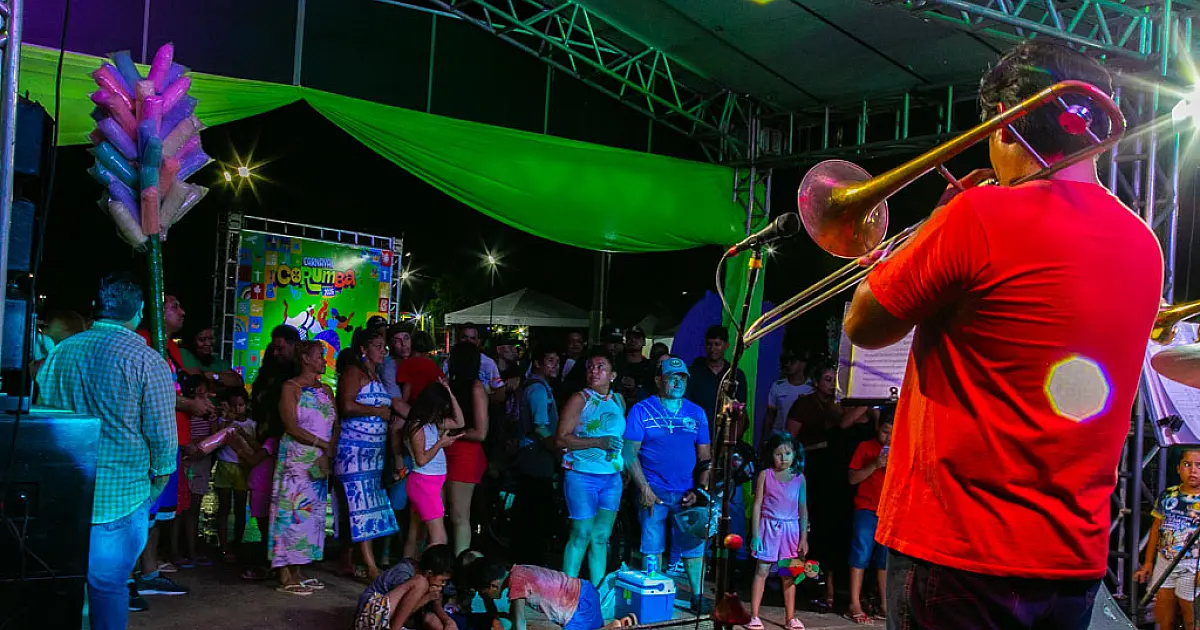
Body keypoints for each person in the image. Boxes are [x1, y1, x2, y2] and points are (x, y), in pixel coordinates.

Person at [842, 40, 1165, 629]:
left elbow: (863, 325)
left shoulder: (975, 216)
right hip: (1070, 559)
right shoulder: (1145, 244)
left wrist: (932, 228)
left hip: (956, 550)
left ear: (1005, 126)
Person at [36, 273, 177, 630]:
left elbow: (44, 419)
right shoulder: (147, 361)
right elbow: (163, 441)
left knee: (64, 589)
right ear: (140, 312)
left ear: (96, 309)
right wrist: (153, 491)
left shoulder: (61, 353)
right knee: (109, 587)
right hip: (120, 496)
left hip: (66, 495)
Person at [623, 356, 711, 612]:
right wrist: (644, 489)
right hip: (654, 489)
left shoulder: (697, 412)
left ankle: (697, 595)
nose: (677, 382)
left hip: (687, 492)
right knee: (652, 545)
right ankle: (653, 597)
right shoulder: (641, 410)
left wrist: (700, 490)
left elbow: (705, 456)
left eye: (682, 377)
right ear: (658, 380)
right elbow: (630, 453)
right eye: (672, 377)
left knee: (694, 545)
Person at [335, 327, 408, 579]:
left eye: (383, 346)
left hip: (373, 453)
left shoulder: (375, 375)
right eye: (377, 346)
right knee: (359, 506)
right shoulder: (354, 372)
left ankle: (364, 561)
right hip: (354, 451)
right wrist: (378, 412)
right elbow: (345, 405)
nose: (383, 350)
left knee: (370, 505)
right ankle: (370, 566)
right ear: (363, 349)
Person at [269, 340, 338, 596]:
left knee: (312, 517)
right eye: (320, 356)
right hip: (297, 460)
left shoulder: (327, 390)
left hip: (318, 461)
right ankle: (284, 572)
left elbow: (335, 422)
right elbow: (291, 426)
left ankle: (298, 569)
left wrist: (329, 450)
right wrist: (322, 444)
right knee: (291, 512)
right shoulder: (291, 388)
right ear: (306, 359)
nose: (324, 360)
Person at [556, 348, 626, 585]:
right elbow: (561, 438)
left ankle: (597, 592)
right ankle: (567, 590)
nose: (594, 371)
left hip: (611, 477)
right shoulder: (580, 399)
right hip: (581, 474)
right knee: (580, 533)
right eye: (591, 367)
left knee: (600, 536)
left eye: (600, 367)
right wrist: (598, 442)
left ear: (612, 374)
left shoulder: (618, 399)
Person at [746, 432, 808, 630]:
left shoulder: (799, 478)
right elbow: (757, 504)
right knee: (762, 570)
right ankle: (754, 615)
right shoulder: (765, 475)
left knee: (789, 573)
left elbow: (803, 510)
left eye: (788, 453)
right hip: (769, 528)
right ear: (771, 455)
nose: (784, 458)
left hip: (791, 530)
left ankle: (790, 618)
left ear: (794, 454)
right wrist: (755, 534)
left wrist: (804, 538)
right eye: (779, 454)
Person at [1135, 448, 1200, 629]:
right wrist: (1148, 563)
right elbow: (1156, 529)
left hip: (1193, 565)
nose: (1193, 470)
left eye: (1198, 466)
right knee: (1164, 618)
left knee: (1191, 619)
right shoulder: (1168, 495)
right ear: (1178, 468)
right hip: (1165, 562)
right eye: (1187, 465)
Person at [404, 383, 466, 557]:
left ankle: (409, 570)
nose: (442, 413)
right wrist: (441, 443)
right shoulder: (417, 426)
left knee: (417, 533)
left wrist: (450, 392)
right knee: (439, 538)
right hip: (424, 483)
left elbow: (460, 421)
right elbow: (421, 459)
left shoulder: (432, 423)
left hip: (430, 482)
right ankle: (431, 576)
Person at [444, 342, 491, 556]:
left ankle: (460, 565)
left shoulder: (475, 387)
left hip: (465, 453)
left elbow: (481, 432)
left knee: (459, 515)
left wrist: (452, 434)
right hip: (447, 450)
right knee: (441, 512)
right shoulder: (451, 385)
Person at [845, 417, 893, 623]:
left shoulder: (901, 447)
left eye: (892, 432)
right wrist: (875, 464)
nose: (888, 437)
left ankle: (884, 605)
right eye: (884, 431)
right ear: (877, 427)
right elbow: (852, 478)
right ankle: (854, 602)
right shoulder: (865, 448)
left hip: (890, 512)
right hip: (866, 509)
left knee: (885, 560)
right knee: (860, 555)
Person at [472, 558, 606, 630]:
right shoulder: (519, 569)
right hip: (586, 591)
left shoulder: (516, 583)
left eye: (483, 592)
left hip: (579, 607)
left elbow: (520, 623)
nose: (485, 596)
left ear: (493, 585)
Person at [354, 544, 457, 630]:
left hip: (384, 619)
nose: (442, 584)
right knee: (421, 583)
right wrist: (427, 598)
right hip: (369, 612)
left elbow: (434, 604)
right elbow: (401, 610)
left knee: (437, 623)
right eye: (442, 581)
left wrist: (447, 621)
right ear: (429, 573)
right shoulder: (406, 573)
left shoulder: (429, 579)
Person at [212, 389, 254, 563]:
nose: (237, 409)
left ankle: (237, 543)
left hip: (242, 467)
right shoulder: (224, 422)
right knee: (223, 508)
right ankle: (223, 545)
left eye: (241, 405)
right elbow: (216, 442)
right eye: (234, 405)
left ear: (246, 405)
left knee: (239, 508)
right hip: (225, 464)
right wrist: (226, 422)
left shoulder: (252, 424)